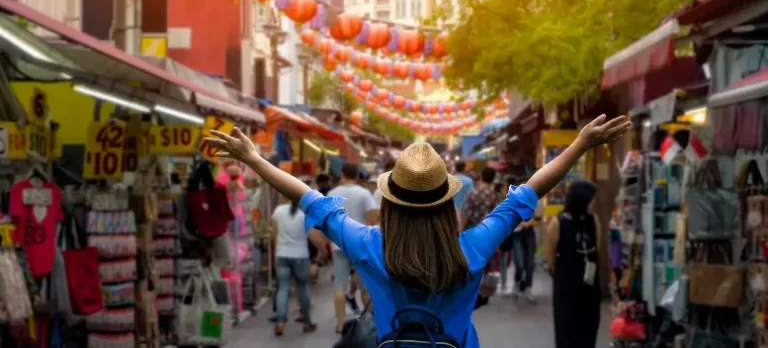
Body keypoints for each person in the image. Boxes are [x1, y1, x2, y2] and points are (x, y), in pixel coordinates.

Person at [203, 114, 629, 347]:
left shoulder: (371, 247)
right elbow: (530, 191)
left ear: (390, 202)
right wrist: (580, 145)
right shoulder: (472, 249)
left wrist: (255, 161)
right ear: (447, 203)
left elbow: (309, 198)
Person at [544, 180, 602, 348]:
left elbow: (597, 249)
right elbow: (550, 256)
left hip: (590, 285)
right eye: (591, 198)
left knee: (589, 329)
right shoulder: (558, 223)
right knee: (566, 329)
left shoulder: (594, 221)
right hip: (566, 285)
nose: (594, 202)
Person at [327, 162, 377, 333]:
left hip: (339, 243)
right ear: (357, 176)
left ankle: (340, 324)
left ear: (342, 175)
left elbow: (326, 220)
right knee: (365, 288)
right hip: (360, 244)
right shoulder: (364, 194)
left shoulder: (333, 194)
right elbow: (372, 218)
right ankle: (370, 322)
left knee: (339, 286)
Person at [271, 197, 328, 336]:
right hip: (300, 256)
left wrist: (277, 251)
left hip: (282, 255)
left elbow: (274, 234)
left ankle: (280, 321)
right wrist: (323, 251)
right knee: (303, 288)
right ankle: (307, 322)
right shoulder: (305, 215)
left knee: (283, 288)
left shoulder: (278, 211)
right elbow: (314, 236)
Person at [461, 166, 502, 309]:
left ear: (482, 176)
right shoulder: (495, 195)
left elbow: (465, 214)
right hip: (490, 234)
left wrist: (460, 232)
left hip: (473, 233)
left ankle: (474, 291)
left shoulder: (473, 193)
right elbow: (498, 216)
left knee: (473, 263)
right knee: (489, 265)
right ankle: (485, 293)